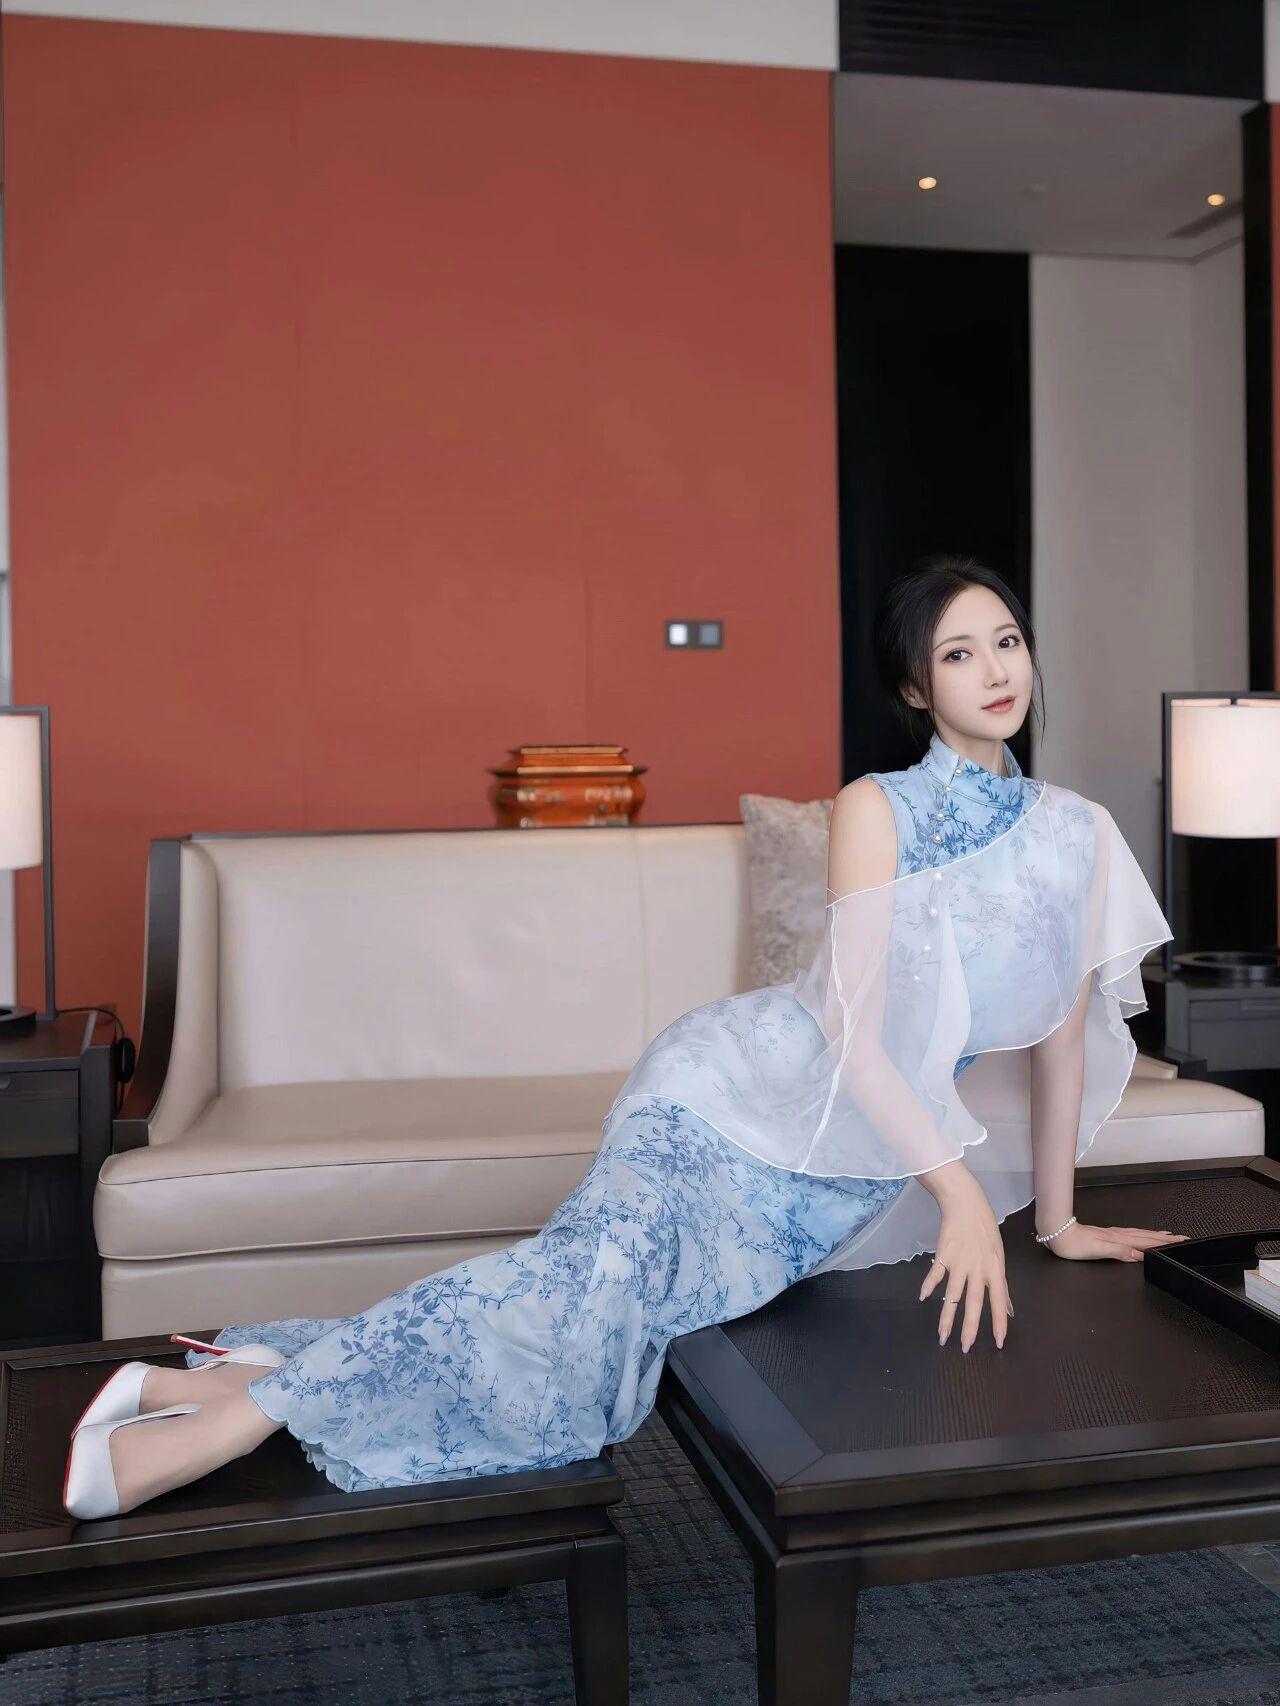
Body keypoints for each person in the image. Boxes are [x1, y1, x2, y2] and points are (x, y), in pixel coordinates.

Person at [62, 557, 1188, 1520]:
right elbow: (851, 1029)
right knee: (603, 1275)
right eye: (957, 653)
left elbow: (1056, 1031)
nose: (994, 671)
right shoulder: (875, 806)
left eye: (1006, 641)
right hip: (731, 1094)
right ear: (913, 685)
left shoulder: (1076, 832)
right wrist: (957, 1194)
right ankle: (224, 1425)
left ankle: (220, 1378)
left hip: (839, 1170)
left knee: (593, 1307)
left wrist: (1056, 1220)